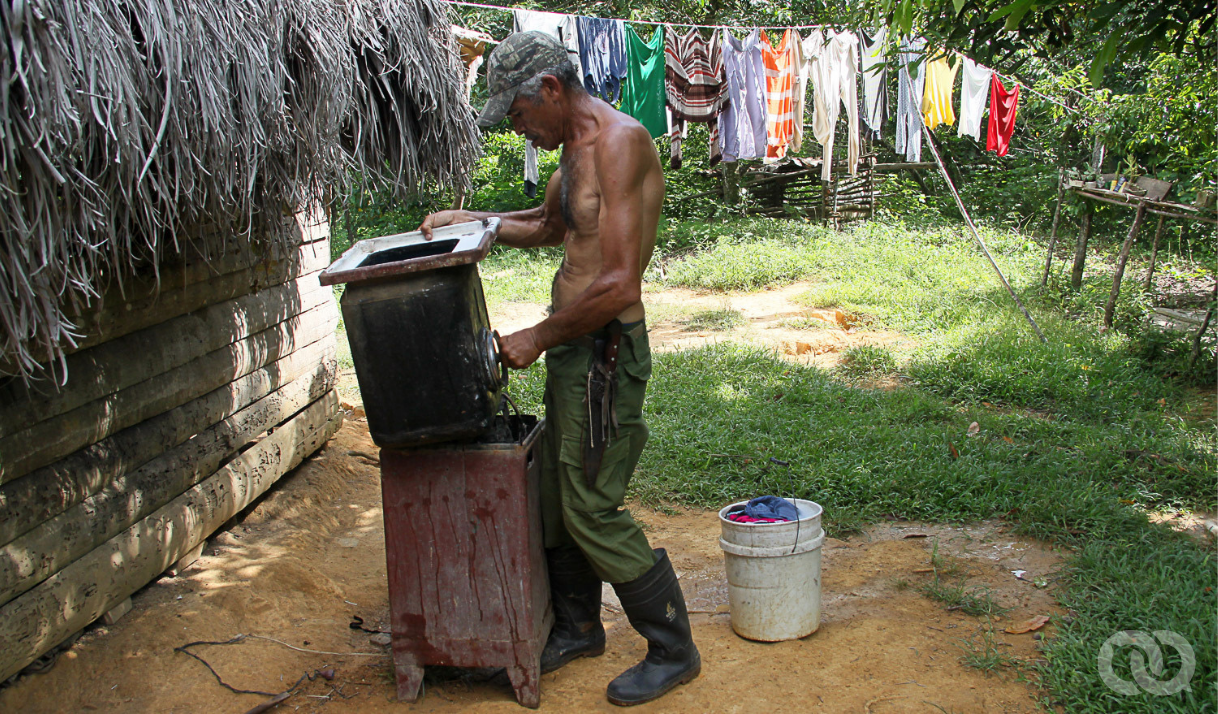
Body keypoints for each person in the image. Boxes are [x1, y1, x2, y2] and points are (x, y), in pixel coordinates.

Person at [419, 31, 700, 707]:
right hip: (576, 351)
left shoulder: (620, 144)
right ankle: (578, 628)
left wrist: (537, 336)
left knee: (591, 504)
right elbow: (549, 226)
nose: (518, 129)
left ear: (549, 90)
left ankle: (673, 648)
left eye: (517, 116)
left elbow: (621, 283)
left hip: (604, 354)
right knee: (554, 496)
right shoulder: (571, 153)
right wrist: (475, 219)